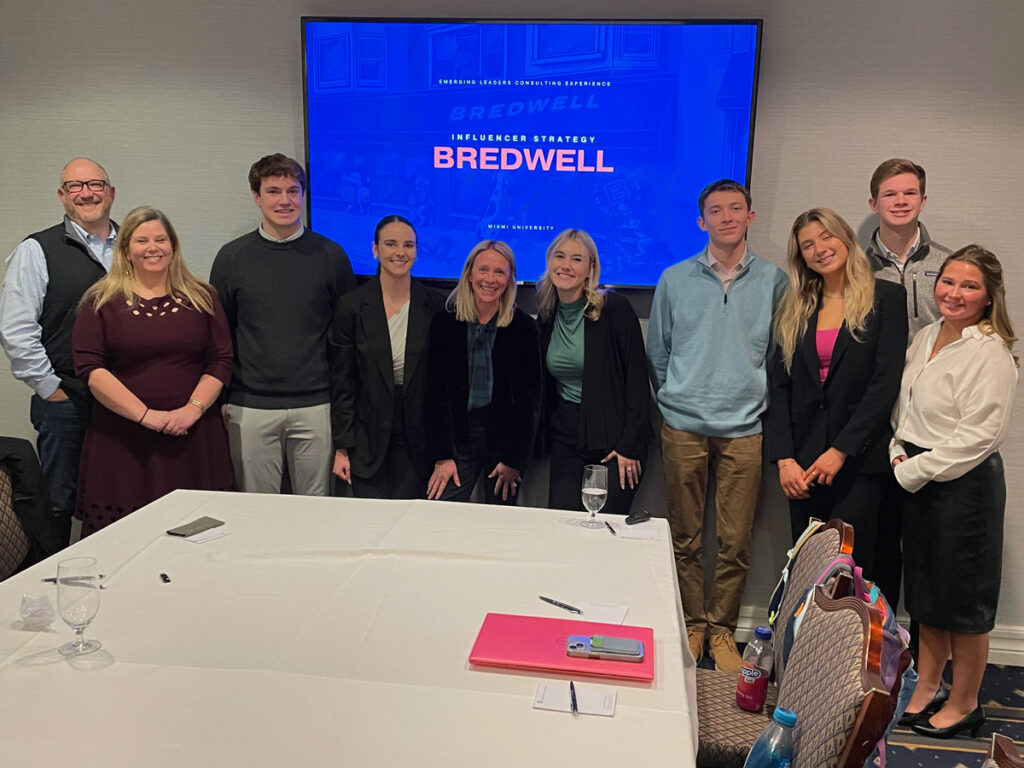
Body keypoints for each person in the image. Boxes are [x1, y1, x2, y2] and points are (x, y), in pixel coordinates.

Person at [647, 179, 787, 672]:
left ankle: (724, 631)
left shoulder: (775, 281)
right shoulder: (674, 279)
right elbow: (659, 353)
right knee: (684, 537)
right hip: (683, 424)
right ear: (701, 220)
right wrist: (676, 397)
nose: (726, 216)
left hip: (745, 427)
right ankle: (691, 623)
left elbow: (778, 355)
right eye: (715, 210)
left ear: (750, 216)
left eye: (736, 208)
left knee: (736, 540)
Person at [890, 246, 1017, 739]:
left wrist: (913, 469)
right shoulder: (925, 336)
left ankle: (965, 703)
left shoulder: (991, 351)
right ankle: (927, 687)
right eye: (948, 282)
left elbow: (979, 436)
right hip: (919, 475)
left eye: (969, 286)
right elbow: (905, 409)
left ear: (988, 297)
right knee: (927, 595)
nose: (955, 293)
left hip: (965, 489)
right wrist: (898, 450)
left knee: (963, 605)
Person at [72, 207, 234, 536]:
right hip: (123, 441)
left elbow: (221, 359)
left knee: (199, 535)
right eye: (142, 240)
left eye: (161, 239)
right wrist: (147, 416)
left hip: (194, 436)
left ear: (173, 246)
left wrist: (192, 410)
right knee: (123, 538)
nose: (153, 247)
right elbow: (90, 368)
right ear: (126, 250)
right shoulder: (100, 300)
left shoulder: (203, 297)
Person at [767, 208, 907, 576]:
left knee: (851, 575)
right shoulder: (794, 307)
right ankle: (807, 638)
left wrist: (841, 450)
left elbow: (885, 384)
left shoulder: (887, 298)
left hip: (860, 462)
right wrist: (784, 459)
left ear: (845, 238)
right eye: (808, 245)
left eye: (826, 237)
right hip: (803, 466)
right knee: (808, 574)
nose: (819, 249)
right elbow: (778, 387)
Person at [210, 154, 355, 496]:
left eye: (293, 191)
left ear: (304, 195)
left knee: (316, 510)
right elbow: (219, 334)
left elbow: (345, 338)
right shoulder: (232, 258)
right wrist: (225, 397)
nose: (285, 201)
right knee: (256, 512)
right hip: (250, 406)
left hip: (317, 406)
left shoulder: (332, 256)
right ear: (257, 197)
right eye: (273, 191)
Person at [0, 158, 117, 547]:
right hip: (67, 401)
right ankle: (53, 583)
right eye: (75, 186)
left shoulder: (134, 247)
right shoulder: (36, 250)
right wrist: (52, 389)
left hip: (125, 400)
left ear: (111, 192)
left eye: (95, 184)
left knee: (117, 495)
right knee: (59, 502)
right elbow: (16, 330)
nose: (87, 192)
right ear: (62, 195)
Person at [535, 229, 650, 515]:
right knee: (562, 525)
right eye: (559, 256)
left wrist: (628, 447)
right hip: (567, 438)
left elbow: (637, 381)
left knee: (603, 531)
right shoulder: (547, 314)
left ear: (590, 270)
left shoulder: (614, 309)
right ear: (549, 262)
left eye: (577, 259)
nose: (566, 265)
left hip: (615, 443)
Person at [330, 215, 445, 498]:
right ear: (375, 250)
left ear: (417, 251)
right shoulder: (352, 306)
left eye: (408, 245)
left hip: (418, 440)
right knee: (369, 524)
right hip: (366, 439)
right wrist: (342, 447)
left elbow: (444, 386)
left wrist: (445, 451)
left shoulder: (437, 306)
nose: (400, 252)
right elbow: (342, 381)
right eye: (390, 244)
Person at [425, 240, 541, 505]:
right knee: (438, 518)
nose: (490, 279)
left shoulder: (524, 328)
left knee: (498, 527)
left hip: (503, 447)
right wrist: (442, 455)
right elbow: (433, 394)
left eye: (500, 272)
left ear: (511, 278)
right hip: (456, 443)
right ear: (469, 274)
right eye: (483, 270)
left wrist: (514, 460)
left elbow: (529, 400)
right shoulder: (445, 323)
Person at [866, 158, 953, 340]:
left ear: (923, 201)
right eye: (889, 194)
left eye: (910, 193)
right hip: (878, 369)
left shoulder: (949, 264)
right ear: (874, 205)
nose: (901, 201)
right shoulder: (857, 269)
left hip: (938, 367)